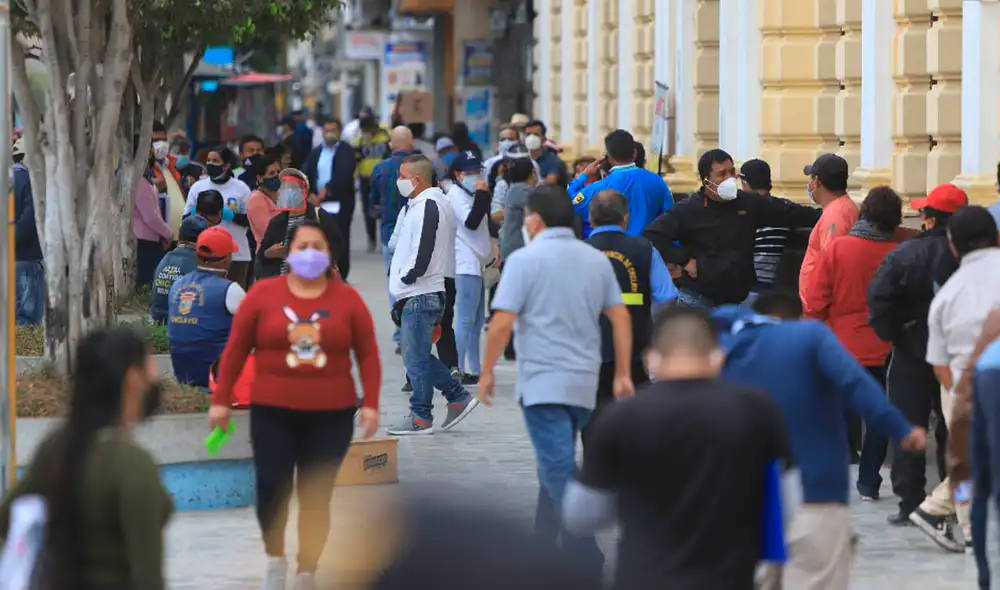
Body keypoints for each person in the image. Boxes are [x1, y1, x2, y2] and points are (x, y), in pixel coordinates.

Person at [564, 306, 792, 590]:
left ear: (651, 359)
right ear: (718, 357)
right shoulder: (758, 411)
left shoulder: (620, 417)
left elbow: (581, 515)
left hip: (644, 579)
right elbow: (787, 504)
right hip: (729, 579)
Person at [208, 219, 381, 590]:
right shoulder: (262, 295)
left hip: (331, 414)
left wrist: (371, 404)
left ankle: (307, 569)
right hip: (273, 411)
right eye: (302, 247)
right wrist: (220, 401)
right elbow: (236, 349)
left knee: (315, 494)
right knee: (273, 486)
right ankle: (275, 557)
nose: (309, 254)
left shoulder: (346, 299)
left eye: (317, 247)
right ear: (289, 251)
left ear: (330, 254)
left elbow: (367, 353)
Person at [714, 292, 925, 590]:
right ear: (794, 317)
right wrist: (901, 428)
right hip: (816, 493)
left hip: (744, 501)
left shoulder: (725, 348)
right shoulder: (810, 336)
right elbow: (855, 383)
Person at [478, 185, 634, 578]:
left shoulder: (525, 260)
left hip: (544, 382)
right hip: (583, 381)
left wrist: (486, 371)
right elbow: (620, 316)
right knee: (557, 460)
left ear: (534, 219)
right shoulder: (593, 259)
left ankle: (584, 555)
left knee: (557, 468)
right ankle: (543, 540)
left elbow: (501, 324)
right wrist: (621, 373)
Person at [0, 327, 172, 590]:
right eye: (150, 366)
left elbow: (7, 516)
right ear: (132, 379)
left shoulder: (56, 447)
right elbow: (148, 578)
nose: (155, 375)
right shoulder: (133, 466)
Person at [868, 182, 966, 526]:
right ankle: (954, 501)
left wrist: (897, 333)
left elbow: (879, 300)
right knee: (956, 433)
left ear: (928, 218)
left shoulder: (906, 254)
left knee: (909, 427)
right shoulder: (974, 259)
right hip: (958, 359)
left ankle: (910, 502)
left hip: (912, 353)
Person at [802, 186, 902, 501]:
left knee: (841, 408)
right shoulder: (898, 252)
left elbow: (816, 300)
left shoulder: (839, 249)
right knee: (878, 414)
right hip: (885, 346)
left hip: (842, 344)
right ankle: (868, 482)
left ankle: (843, 466)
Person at [916, 205, 1000, 552]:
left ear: (953, 246)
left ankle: (961, 524)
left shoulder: (946, 298)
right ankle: (940, 512)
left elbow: (938, 363)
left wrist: (962, 395)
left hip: (962, 387)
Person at [643, 148, 821, 307]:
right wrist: (684, 260)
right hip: (698, 298)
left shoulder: (749, 202)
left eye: (731, 172)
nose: (729, 178)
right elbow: (653, 235)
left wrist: (826, 212)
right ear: (707, 180)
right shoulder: (688, 209)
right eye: (721, 174)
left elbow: (789, 212)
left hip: (738, 300)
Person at [385, 155, 478, 435]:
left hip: (421, 291)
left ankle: (421, 416)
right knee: (418, 356)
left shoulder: (430, 204)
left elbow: (425, 246)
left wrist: (408, 276)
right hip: (418, 292)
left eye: (402, 175)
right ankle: (456, 397)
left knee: (416, 359)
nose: (398, 181)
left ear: (417, 179)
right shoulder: (421, 204)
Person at [583, 189, 678, 442]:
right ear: (626, 218)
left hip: (587, 353)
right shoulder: (645, 250)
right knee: (633, 420)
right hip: (636, 350)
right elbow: (668, 298)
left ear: (591, 219)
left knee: (592, 419)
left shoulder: (578, 252)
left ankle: (596, 469)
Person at [949, 309, 1000, 589]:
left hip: (986, 379)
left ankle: (985, 578)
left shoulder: (991, 315)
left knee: (978, 486)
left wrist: (960, 476)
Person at [167, 226, 246, 388]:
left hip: (182, 374)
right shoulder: (230, 290)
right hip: (215, 377)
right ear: (227, 259)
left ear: (197, 255)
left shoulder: (177, 285)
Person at [445, 151, 493, 384]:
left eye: (478, 171)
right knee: (465, 319)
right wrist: (484, 196)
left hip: (479, 262)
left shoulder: (472, 192)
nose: (475, 176)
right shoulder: (455, 194)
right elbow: (472, 223)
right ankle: (458, 367)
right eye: (469, 173)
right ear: (457, 175)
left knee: (475, 320)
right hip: (466, 264)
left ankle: (474, 368)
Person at [568, 129, 673, 237]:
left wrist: (584, 176)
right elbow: (670, 216)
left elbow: (570, 203)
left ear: (608, 156)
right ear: (635, 153)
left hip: (614, 249)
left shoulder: (601, 187)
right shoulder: (657, 181)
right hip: (648, 248)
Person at [256, 169, 345, 281]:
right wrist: (269, 253)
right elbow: (262, 255)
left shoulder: (319, 215)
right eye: (285, 187)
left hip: (314, 280)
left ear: (305, 190)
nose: (289, 191)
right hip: (283, 282)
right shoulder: (277, 222)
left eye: (294, 187)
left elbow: (337, 245)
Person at [183, 146, 253, 288]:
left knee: (236, 295)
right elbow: (185, 219)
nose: (210, 164)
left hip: (236, 255)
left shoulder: (241, 188)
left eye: (215, 161)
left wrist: (231, 216)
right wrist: (198, 213)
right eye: (208, 160)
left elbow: (251, 221)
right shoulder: (198, 187)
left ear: (226, 165)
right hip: (206, 254)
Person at [798, 154, 859, 303]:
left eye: (811, 178)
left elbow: (830, 266)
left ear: (817, 181)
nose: (810, 183)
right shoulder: (840, 209)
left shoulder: (835, 216)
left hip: (823, 310)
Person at [302, 118, 357, 275]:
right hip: (317, 202)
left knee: (339, 236)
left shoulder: (346, 151)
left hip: (339, 201)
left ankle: (341, 271)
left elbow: (344, 174)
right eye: (326, 130)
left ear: (339, 132)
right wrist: (311, 192)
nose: (329, 134)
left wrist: (325, 192)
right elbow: (306, 171)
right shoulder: (317, 151)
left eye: (333, 130)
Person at [740, 159, 799, 292]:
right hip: (779, 281)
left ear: (745, 184)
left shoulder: (743, 210)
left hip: (751, 284)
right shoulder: (784, 207)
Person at [150, 215, 210, 324]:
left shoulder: (166, 258)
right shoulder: (199, 264)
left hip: (158, 317)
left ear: (179, 235)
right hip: (182, 322)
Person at [12, 137, 44, 325]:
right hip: (28, 256)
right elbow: (30, 218)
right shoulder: (32, 182)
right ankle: (25, 350)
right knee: (28, 314)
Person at [354, 111, 392, 252]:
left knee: (385, 208)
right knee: (367, 210)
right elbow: (356, 160)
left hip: (384, 178)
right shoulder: (360, 140)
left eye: (368, 130)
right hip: (366, 179)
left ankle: (385, 238)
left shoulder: (386, 136)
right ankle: (371, 238)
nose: (366, 133)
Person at [134, 163, 175, 287]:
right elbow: (150, 217)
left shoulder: (142, 179)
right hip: (144, 243)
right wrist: (168, 233)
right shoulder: (140, 182)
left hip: (146, 240)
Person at [247, 155, 283, 245]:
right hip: (268, 254)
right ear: (260, 178)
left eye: (278, 172)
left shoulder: (284, 194)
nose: (276, 175)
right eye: (271, 173)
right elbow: (268, 232)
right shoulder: (256, 199)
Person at [523, 119, 568, 186]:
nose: (531, 138)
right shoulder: (521, 158)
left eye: (535, 135)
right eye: (528, 134)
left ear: (543, 138)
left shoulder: (553, 160)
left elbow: (550, 181)